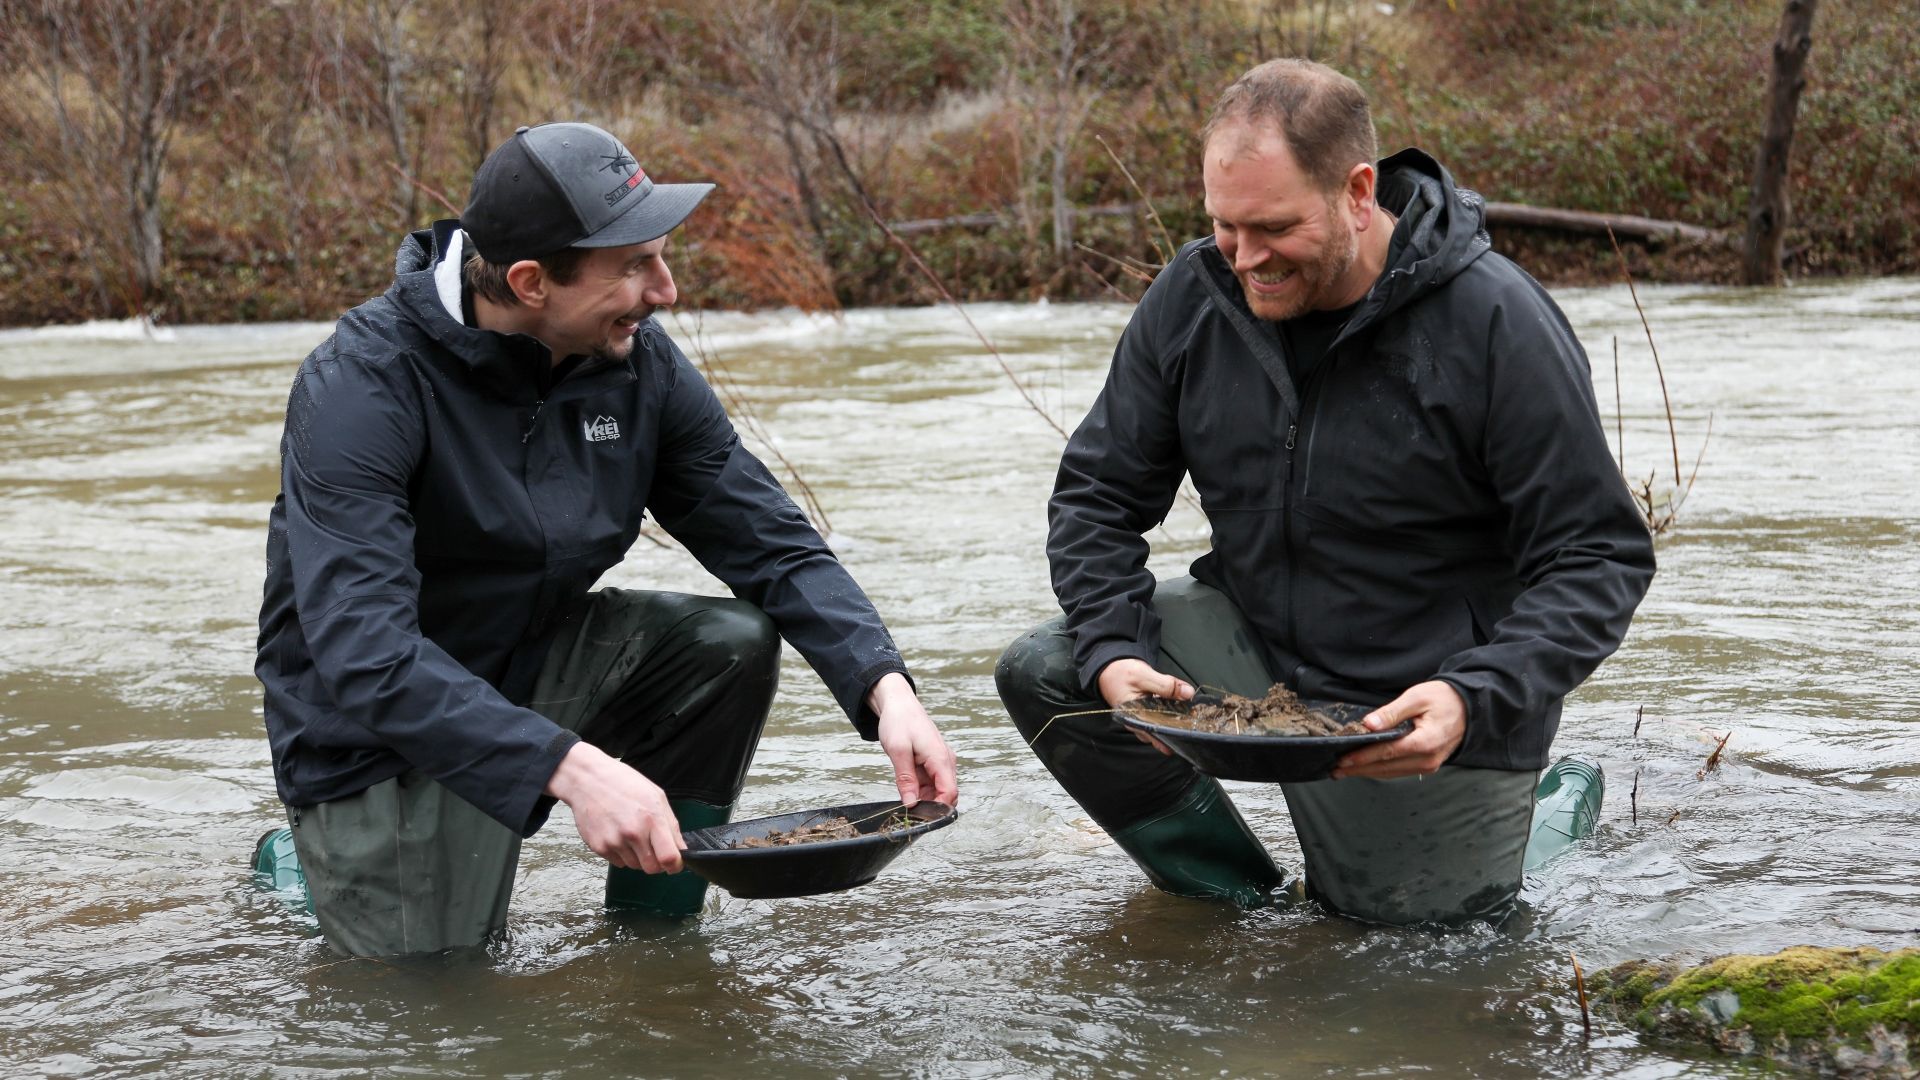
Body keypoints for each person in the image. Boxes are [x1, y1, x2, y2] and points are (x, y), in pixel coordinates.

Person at [255, 122, 959, 956]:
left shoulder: (638, 365)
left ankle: (654, 940)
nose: (665, 291)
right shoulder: (360, 386)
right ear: (529, 282)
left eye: (661, 256)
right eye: (632, 266)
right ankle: (301, 865)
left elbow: (770, 542)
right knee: (436, 986)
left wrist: (884, 687)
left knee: (726, 643)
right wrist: (577, 768)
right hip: (373, 726)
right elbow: (365, 651)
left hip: (528, 660)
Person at [995, 59, 1654, 927]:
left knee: (1407, 943)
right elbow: (1095, 495)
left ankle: (1553, 810)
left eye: (1273, 227)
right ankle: (1239, 896)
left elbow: (1599, 556)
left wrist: (1475, 694)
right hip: (1258, 648)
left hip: (1423, 703)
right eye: (1225, 225)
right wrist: (1115, 649)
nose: (1244, 257)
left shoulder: (1496, 320)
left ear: (1357, 191)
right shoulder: (1194, 296)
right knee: (1051, 671)